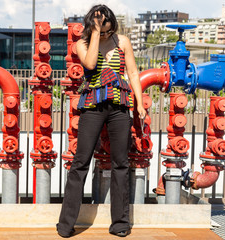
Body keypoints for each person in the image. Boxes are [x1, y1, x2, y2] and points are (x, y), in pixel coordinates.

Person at [57, 4, 145, 238]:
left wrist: (140, 103)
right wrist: (95, 33)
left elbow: (133, 73)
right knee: (81, 162)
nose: (104, 29)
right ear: (91, 23)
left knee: (121, 164)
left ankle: (120, 224)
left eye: (105, 25)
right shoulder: (82, 43)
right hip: (92, 106)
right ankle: (65, 225)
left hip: (119, 107)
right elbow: (90, 65)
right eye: (98, 24)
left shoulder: (122, 41)